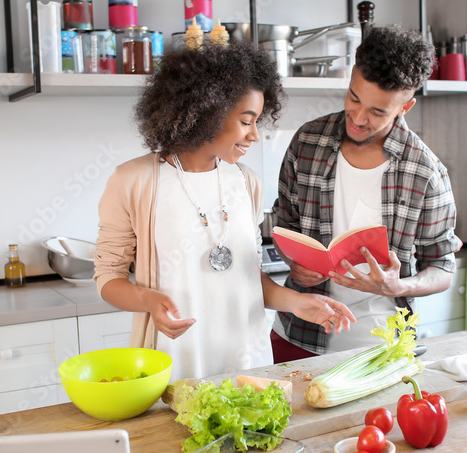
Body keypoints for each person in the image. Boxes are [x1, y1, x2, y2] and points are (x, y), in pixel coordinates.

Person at [94, 43, 355, 381]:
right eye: (247, 122)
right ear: (208, 113)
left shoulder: (247, 182)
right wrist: (149, 301)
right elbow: (107, 278)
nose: (256, 135)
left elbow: (248, 279)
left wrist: (295, 302)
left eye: (258, 121)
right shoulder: (134, 181)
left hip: (248, 360)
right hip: (176, 361)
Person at [270, 24, 463, 360]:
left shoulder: (426, 172)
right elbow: (284, 224)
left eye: (377, 112)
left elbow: (443, 267)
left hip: (382, 345)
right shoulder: (307, 142)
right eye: (353, 98)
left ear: (405, 107)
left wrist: (400, 286)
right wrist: (294, 262)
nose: (358, 118)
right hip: (298, 333)